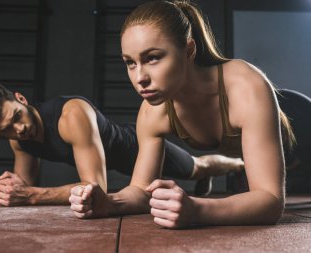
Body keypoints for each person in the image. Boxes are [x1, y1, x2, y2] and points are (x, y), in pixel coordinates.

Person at [69, 0, 295, 228]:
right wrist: (109, 202)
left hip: (300, 131)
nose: (140, 78)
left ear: (189, 50)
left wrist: (197, 210)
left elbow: (271, 201)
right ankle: (235, 165)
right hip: (241, 151)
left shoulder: (246, 88)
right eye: (130, 63)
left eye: (153, 58)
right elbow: (141, 189)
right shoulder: (153, 112)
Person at [0, 81, 244, 206]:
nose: (20, 129)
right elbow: (24, 183)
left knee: (196, 166)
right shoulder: (19, 140)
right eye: (8, 131)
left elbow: (96, 189)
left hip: (138, 148)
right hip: (117, 163)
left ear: (21, 99)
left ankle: (239, 163)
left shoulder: (71, 115)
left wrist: (31, 197)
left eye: (17, 117)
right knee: (191, 171)